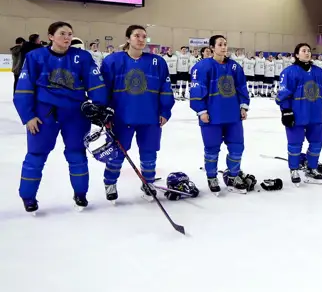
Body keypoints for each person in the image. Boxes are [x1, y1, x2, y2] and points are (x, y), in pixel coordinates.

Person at [13, 21, 107, 213]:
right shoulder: (35, 57)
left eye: (70, 34)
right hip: (44, 115)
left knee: (77, 155)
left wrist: (99, 107)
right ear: (51, 36)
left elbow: (95, 83)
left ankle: (80, 194)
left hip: (75, 114)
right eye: (62, 33)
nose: (67, 37)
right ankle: (28, 197)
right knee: (36, 155)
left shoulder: (82, 56)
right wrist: (28, 116)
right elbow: (24, 88)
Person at [100, 25, 175, 202]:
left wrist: (165, 110)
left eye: (144, 36)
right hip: (121, 117)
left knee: (149, 153)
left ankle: (148, 183)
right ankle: (110, 183)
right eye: (137, 36)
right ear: (128, 39)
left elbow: (165, 88)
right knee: (117, 153)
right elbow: (103, 89)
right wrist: (104, 112)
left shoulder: (157, 62)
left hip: (150, 117)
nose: (141, 40)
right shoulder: (112, 61)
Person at [189, 35, 250, 194]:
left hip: (233, 116)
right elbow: (196, 89)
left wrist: (243, 107)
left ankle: (233, 176)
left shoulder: (234, 66)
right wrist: (201, 110)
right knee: (212, 149)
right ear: (212, 47)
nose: (224, 47)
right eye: (220, 44)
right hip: (211, 116)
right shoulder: (202, 67)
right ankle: (212, 177)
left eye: (225, 44)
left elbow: (241, 87)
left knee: (237, 147)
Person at [276, 43, 322, 186]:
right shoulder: (289, 72)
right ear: (297, 55)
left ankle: (312, 168)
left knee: (317, 142)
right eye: (303, 51)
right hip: (297, 114)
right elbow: (283, 93)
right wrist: (286, 111)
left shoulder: (318, 72)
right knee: (295, 143)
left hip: (315, 113)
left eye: (309, 50)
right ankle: (294, 169)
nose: (307, 53)